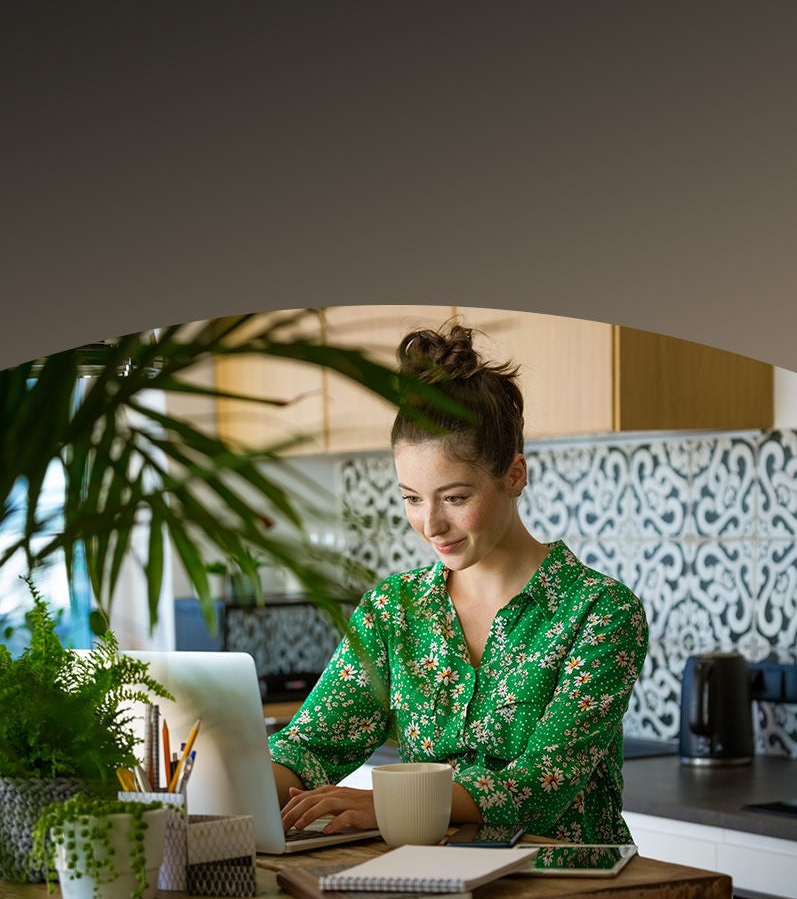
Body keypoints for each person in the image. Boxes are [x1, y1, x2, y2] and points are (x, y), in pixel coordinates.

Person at [269, 321, 649, 843]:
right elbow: (311, 748)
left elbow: (540, 786)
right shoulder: (394, 609)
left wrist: (389, 803)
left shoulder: (599, 612)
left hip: (570, 883)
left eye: (454, 498)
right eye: (411, 498)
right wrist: (232, 781)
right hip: (433, 880)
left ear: (515, 475)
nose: (431, 524)